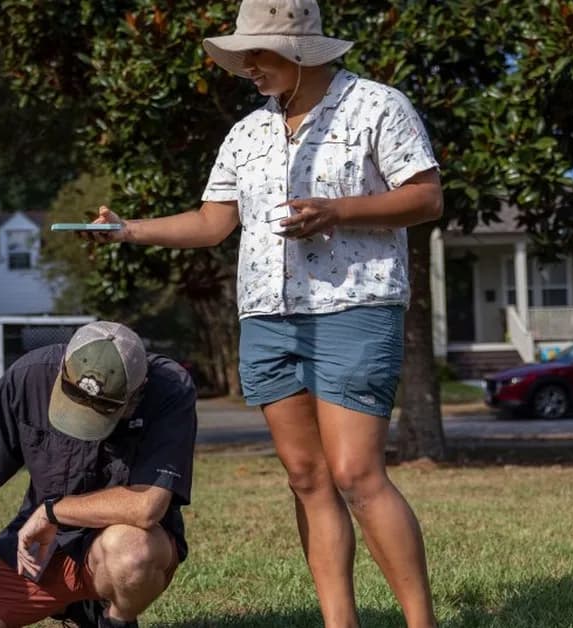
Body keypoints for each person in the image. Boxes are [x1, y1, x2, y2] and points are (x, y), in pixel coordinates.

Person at [84, 1, 442, 626]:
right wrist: (128, 230)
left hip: (352, 309)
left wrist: (337, 211)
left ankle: (421, 622)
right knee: (306, 478)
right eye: (242, 53)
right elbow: (212, 222)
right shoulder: (247, 133)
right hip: (267, 319)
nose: (247, 65)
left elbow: (426, 197)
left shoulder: (378, 106)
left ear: (300, 51)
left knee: (357, 474)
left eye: (259, 52)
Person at [0, 321, 197, 628]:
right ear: (63, 367)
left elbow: (147, 506)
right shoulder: (29, 375)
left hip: (112, 548)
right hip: (38, 551)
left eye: (101, 413)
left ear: (137, 391)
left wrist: (52, 511)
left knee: (133, 553)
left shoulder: (169, 388)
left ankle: (114, 619)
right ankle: (76, 606)